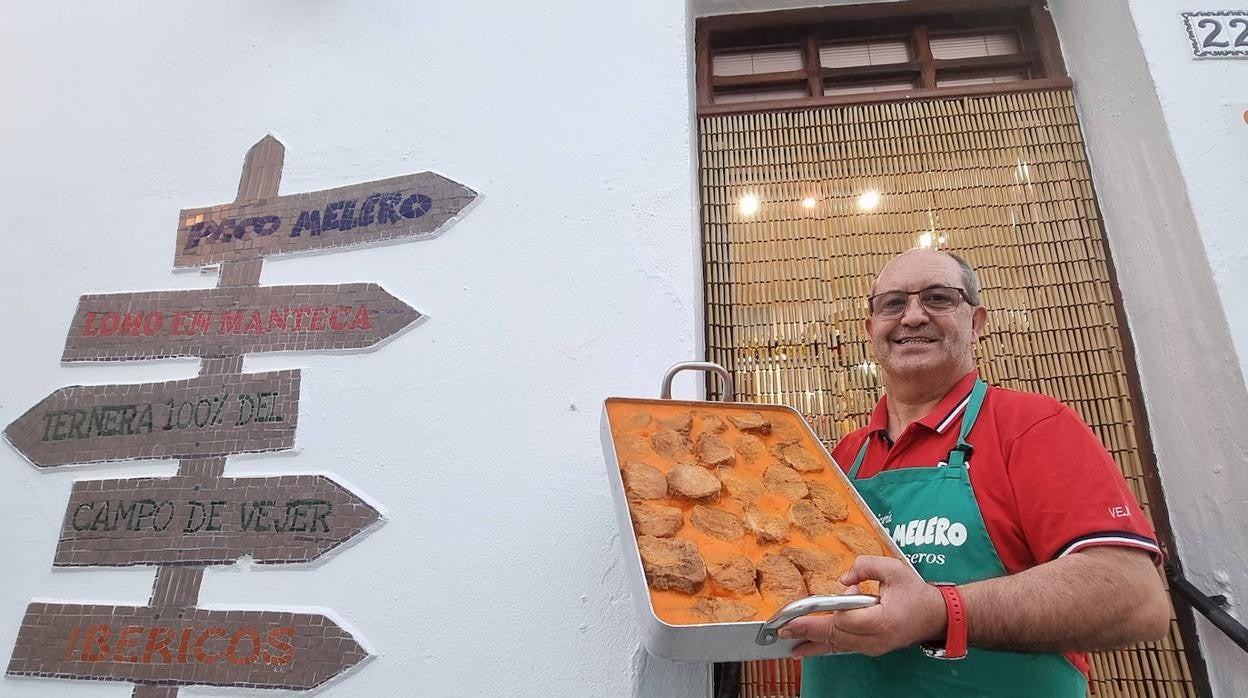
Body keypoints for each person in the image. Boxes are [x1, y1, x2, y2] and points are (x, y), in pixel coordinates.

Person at [780, 249, 1171, 697]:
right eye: (892, 304)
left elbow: (1134, 598)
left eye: (938, 298)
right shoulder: (842, 455)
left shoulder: (1031, 426)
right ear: (871, 330)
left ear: (977, 322)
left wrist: (940, 612)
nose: (912, 317)